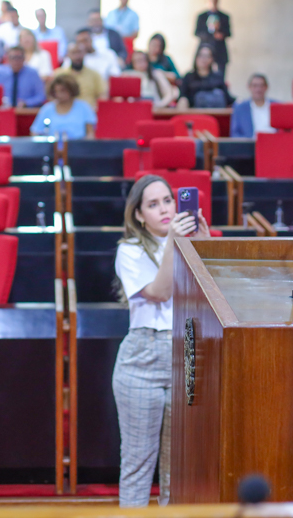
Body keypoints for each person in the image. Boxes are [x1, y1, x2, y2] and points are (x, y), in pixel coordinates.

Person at [112, 174, 210, 507]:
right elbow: (161, 291)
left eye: (168, 200)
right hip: (143, 358)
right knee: (139, 462)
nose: (165, 209)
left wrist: (204, 243)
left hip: (188, 355)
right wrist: (174, 242)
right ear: (139, 215)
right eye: (153, 204)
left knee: (177, 468)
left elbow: (212, 294)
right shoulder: (129, 250)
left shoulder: (187, 239)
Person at [31, 75, 98, 140]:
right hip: (52, 148)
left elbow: (90, 133)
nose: (59, 95)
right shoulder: (47, 109)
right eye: (56, 91)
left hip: (79, 148)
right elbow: (35, 132)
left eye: (62, 91)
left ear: (71, 90)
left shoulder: (84, 107)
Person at [53, 42, 107, 110]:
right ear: (68, 55)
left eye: (79, 52)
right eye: (73, 53)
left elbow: (102, 96)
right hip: (64, 113)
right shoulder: (59, 74)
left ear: (85, 53)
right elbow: (52, 96)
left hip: (89, 113)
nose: (77, 56)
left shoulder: (95, 74)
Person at [177, 44, 233, 109]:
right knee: (182, 101)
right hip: (193, 114)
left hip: (215, 113)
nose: (204, 59)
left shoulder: (217, 78)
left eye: (207, 56)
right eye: (201, 55)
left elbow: (228, 99)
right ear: (196, 57)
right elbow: (182, 96)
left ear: (212, 59)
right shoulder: (188, 77)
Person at [230, 73, 278, 138]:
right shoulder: (240, 108)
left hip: (274, 142)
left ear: (266, 87)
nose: (258, 89)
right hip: (251, 145)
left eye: (261, 86)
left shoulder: (277, 106)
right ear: (249, 87)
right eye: (255, 86)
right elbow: (235, 134)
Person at [194, 0, 231, 75]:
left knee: (220, 75)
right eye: (211, 0)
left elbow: (228, 33)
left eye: (215, 1)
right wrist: (211, 34)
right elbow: (197, 33)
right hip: (205, 48)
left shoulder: (224, 16)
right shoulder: (201, 16)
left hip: (220, 51)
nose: (213, 3)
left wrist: (220, 33)